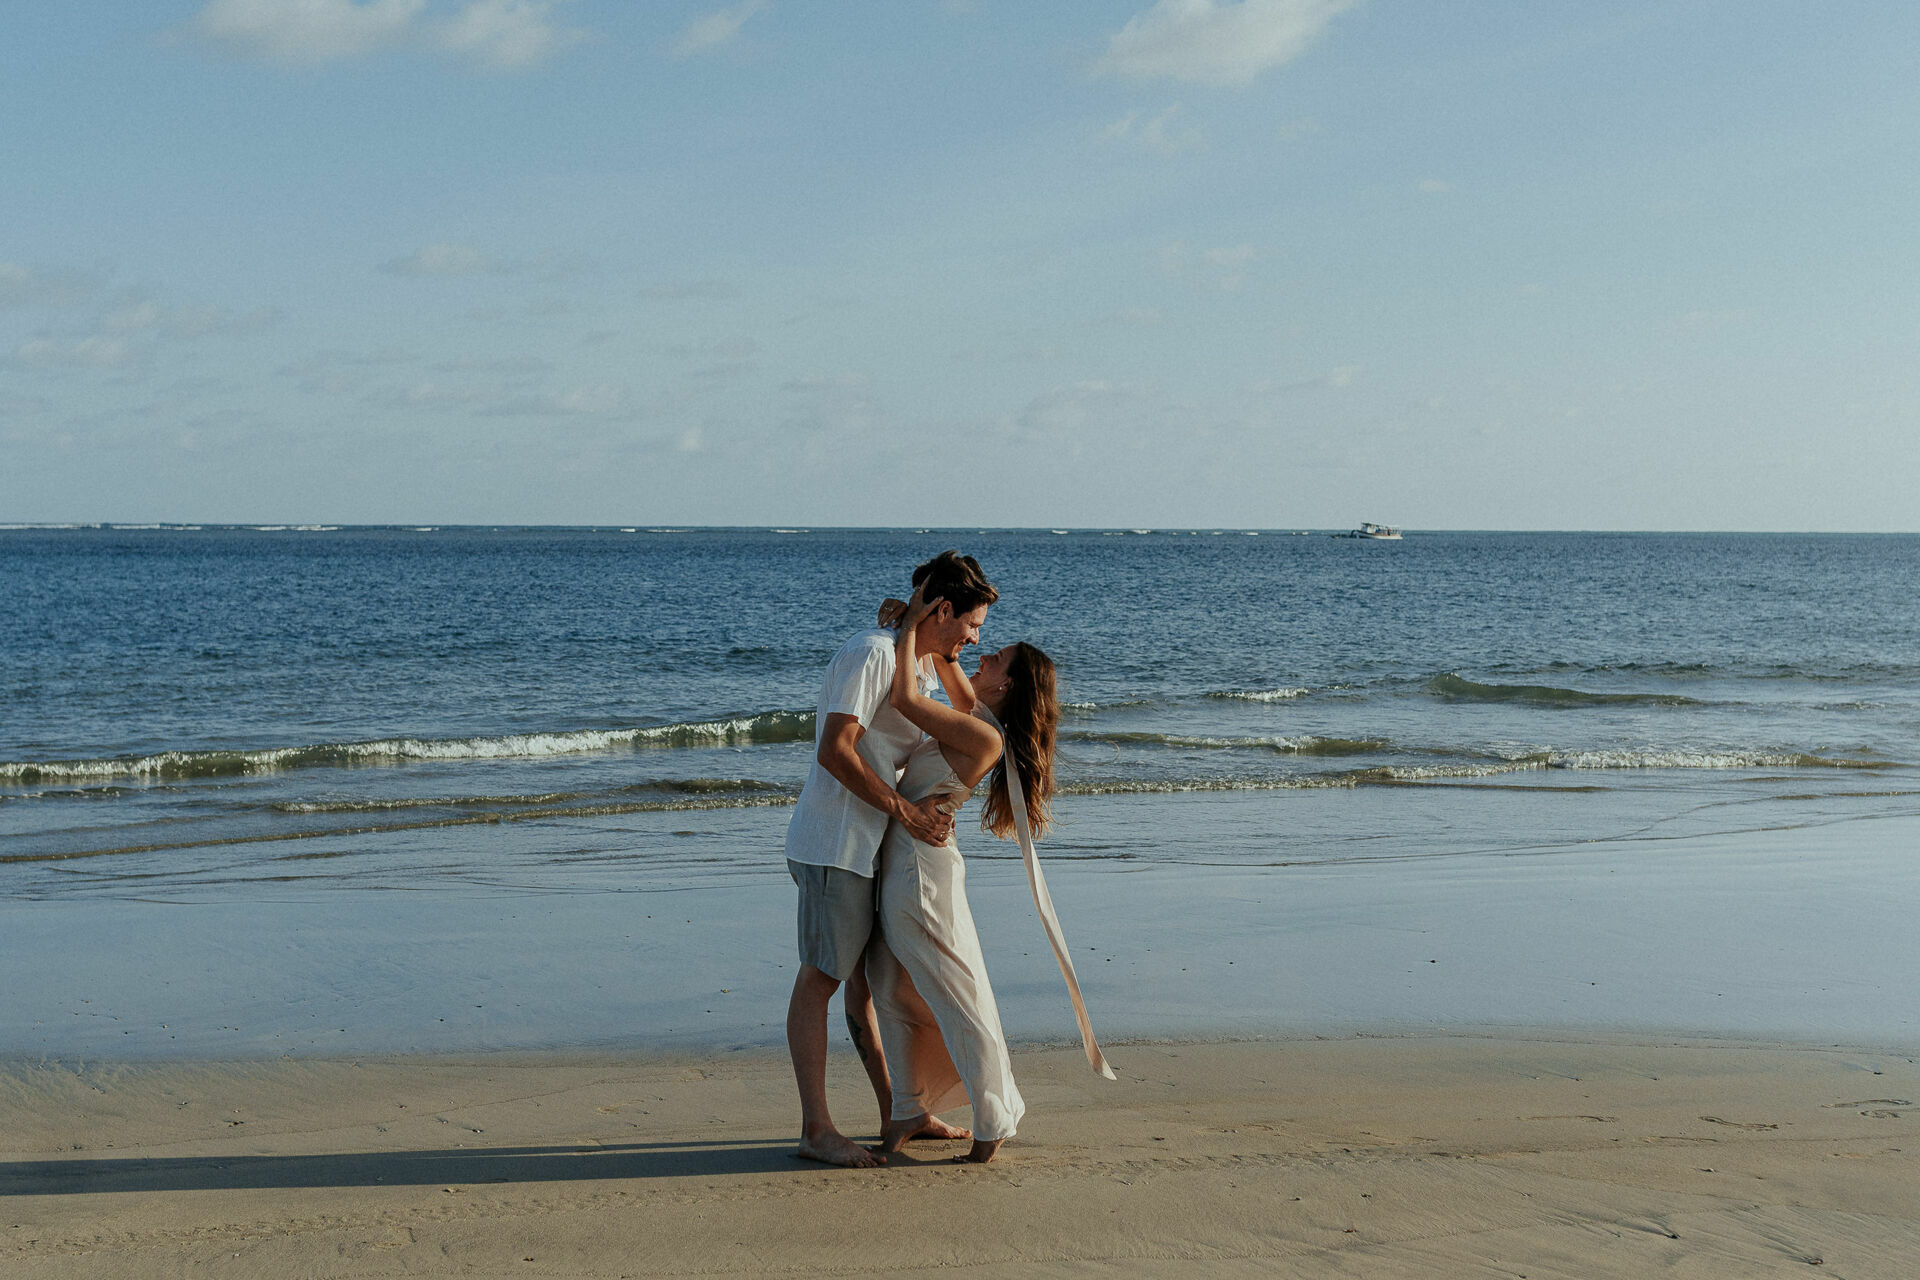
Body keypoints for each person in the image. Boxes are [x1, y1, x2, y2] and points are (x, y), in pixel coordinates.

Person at [863, 583, 1095, 1164]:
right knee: (892, 989)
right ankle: (909, 1109)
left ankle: (992, 1121)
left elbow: (907, 699)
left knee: (960, 993)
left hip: (920, 875)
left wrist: (914, 627)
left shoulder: (982, 732)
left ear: (1008, 684)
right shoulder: (973, 709)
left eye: (997, 658)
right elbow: (945, 660)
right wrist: (916, 618)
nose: (983, 654)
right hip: (908, 857)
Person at [782, 551, 998, 1168]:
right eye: (973, 625)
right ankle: (816, 1129)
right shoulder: (873, 652)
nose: (976, 637)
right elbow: (834, 749)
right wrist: (907, 815)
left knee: (867, 991)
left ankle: (899, 1110)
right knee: (820, 980)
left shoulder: (918, 664)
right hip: (836, 843)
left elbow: (962, 722)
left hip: (870, 845)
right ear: (945, 609)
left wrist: (929, 640)